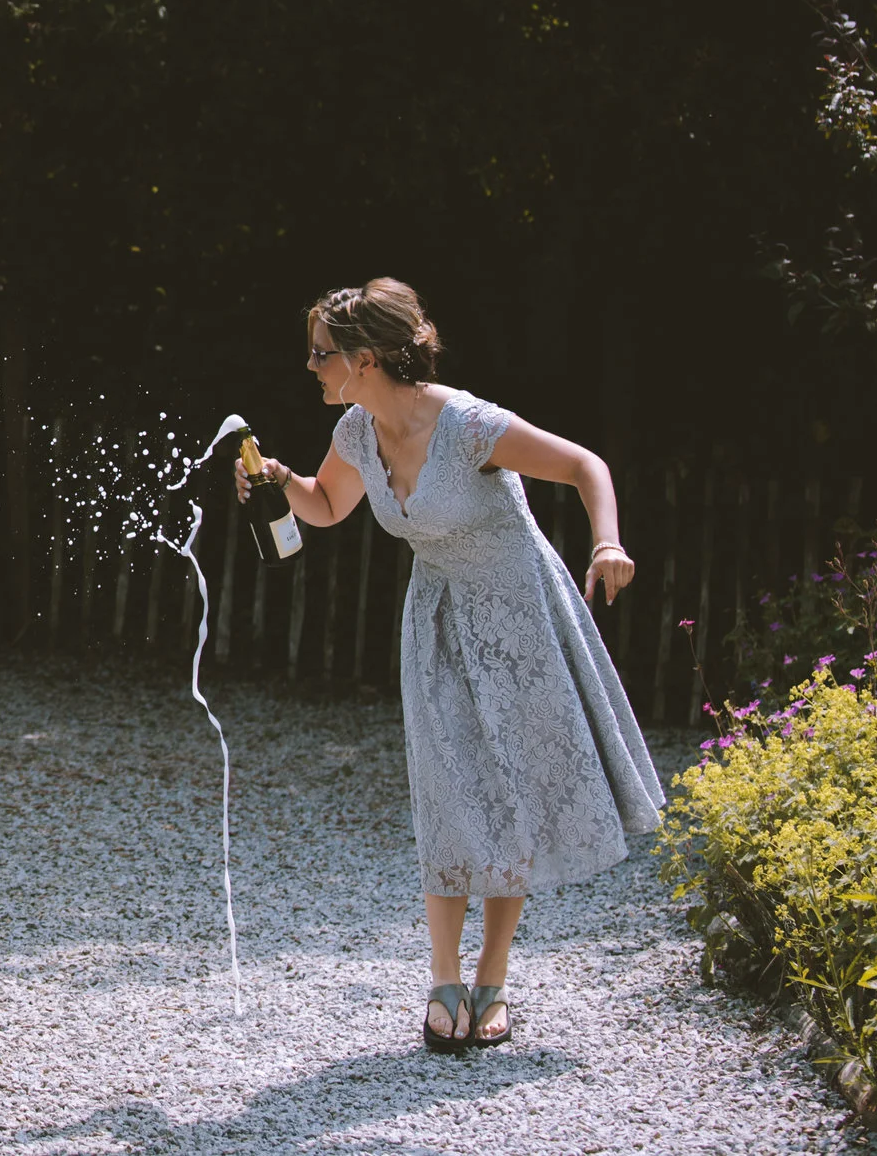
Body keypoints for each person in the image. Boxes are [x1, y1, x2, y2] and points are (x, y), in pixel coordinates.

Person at [236, 278, 663, 1052]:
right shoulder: (359, 433)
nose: (310, 366)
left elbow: (585, 465)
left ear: (365, 359)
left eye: (320, 353)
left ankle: (492, 981)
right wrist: (278, 481)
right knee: (445, 789)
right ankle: (442, 980)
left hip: (518, 617)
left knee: (508, 791)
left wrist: (608, 541)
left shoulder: (467, 424)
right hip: (435, 622)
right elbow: (327, 506)